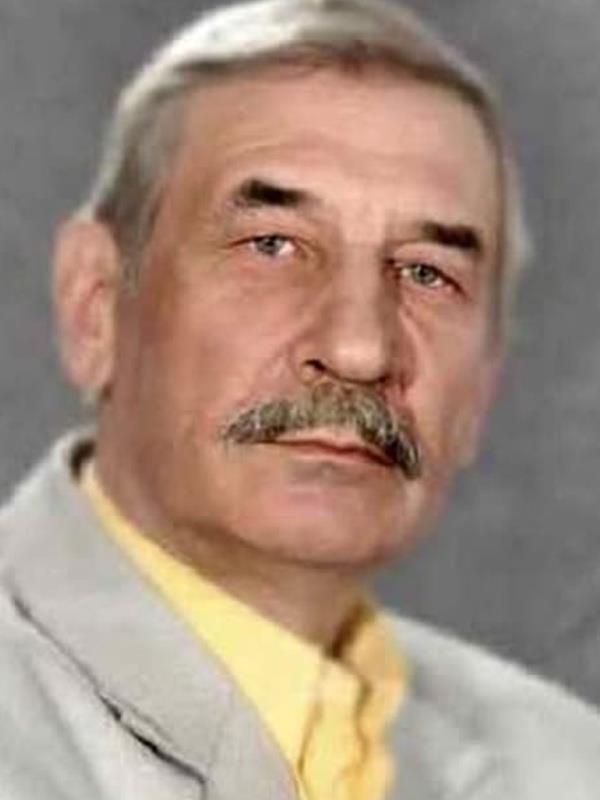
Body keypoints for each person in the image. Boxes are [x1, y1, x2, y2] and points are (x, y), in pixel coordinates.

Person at [1, 0, 599, 798]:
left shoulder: (566, 762)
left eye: (428, 273)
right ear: (97, 306)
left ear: (485, 380)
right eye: (272, 246)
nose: (361, 349)